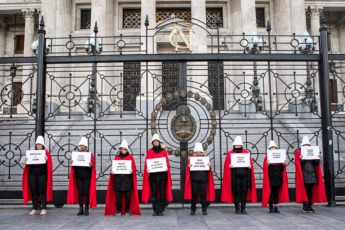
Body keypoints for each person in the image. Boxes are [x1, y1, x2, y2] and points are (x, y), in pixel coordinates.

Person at [221, 136, 257, 214]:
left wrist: (250, 166)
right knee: (237, 192)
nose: (237, 146)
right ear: (234, 145)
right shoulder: (230, 153)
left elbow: (250, 163)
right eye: (236, 145)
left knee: (244, 192)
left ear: (241, 145)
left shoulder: (246, 153)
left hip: (245, 176)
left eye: (239, 144)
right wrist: (229, 166)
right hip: (235, 176)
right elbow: (226, 165)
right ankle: (237, 208)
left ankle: (243, 208)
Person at [104, 139, 141, 216]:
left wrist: (132, 171)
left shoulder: (130, 157)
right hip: (118, 180)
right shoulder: (116, 157)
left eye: (124, 149)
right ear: (120, 149)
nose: (123, 150)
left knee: (128, 197)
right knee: (118, 198)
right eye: (122, 149)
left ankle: (127, 210)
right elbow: (114, 168)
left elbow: (134, 168)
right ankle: (118, 210)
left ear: (127, 150)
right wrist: (112, 172)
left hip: (127, 180)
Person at [142, 134, 173, 216]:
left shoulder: (163, 151)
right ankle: (155, 210)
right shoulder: (150, 151)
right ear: (152, 142)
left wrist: (167, 167)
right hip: (153, 176)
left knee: (162, 193)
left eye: (157, 141)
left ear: (159, 142)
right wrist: (147, 169)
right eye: (154, 141)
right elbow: (147, 163)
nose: (156, 142)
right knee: (154, 193)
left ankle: (161, 209)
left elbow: (167, 163)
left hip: (162, 176)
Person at [22, 136, 53, 215]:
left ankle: (43, 208)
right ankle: (34, 208)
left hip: (42, 175)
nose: (38, 146)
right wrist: (27, 160)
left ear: (42, 145)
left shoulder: (46, 153)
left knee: (42, 191)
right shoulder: (32, 153)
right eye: (37, 144)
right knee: (34, 192)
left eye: (40, 144)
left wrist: (47, 160)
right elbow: (29, 165)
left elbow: (49, 165)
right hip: (33, 175)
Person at [295, 136, 327, 213]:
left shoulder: (313, 151)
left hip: (312, 174)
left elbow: (316, 163)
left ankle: (309, 205)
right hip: (304, 174)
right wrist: (301, 158)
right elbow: (298, 164)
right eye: (305, 145)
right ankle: (304, 205)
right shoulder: (299, 152)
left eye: (307, 145)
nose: (306, 146)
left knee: (310, 190)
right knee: (304, 190)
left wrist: (318, 157)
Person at [67, 137, 97, 216]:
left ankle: (86, 208)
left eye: (83, 145)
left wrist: (91, 165)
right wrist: (72, 163)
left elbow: (93, 167)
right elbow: (75, 167)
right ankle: (81, 208)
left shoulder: (90, 155)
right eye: (81, 145)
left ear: (86, 146)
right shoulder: (77, 155)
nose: (82, 146)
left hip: (87, 176)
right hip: (79, 176)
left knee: (86, 192)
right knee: (80, 192)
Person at [184, 143, 215, 215]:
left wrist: (209, 166)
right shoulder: (192, 159)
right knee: (194, 194)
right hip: (194, 179)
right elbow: (187, 170)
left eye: (199, 151)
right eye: (197, 151)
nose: (198, 153)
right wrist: (189, 166)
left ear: (202, 152)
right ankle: (193, 209)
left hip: (203, 179)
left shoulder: (205, 158)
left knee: (203, 195)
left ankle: (204, 209)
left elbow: (208, 171)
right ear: (195, 152)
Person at [262, 140, 289, 213]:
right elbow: (265, 168)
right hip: (270, 177)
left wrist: (283, 164)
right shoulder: (267, 157)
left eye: (274, 147)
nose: (273, 149)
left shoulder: (280, 156)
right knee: (271, 193)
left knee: (276, 193)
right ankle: (271, 207)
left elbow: (282, 169)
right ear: (269, 149)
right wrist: (267, 164)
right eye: (272, 148)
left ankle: (276, 207)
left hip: (278, 178)